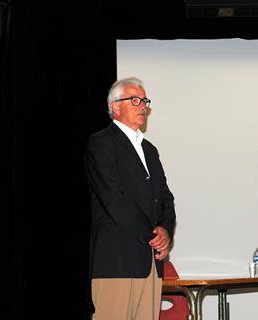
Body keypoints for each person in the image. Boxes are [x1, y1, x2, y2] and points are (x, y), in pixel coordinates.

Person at [84, 77, 176, 320]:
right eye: (134, 100)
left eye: (144, 100)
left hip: (150, 266)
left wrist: (165, 230)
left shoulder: (150, 150)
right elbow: (114, 200)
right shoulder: (101, 143)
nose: (142, 105)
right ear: (115, 106)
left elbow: (165, 198)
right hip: (117, 262)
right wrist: (152, 237)